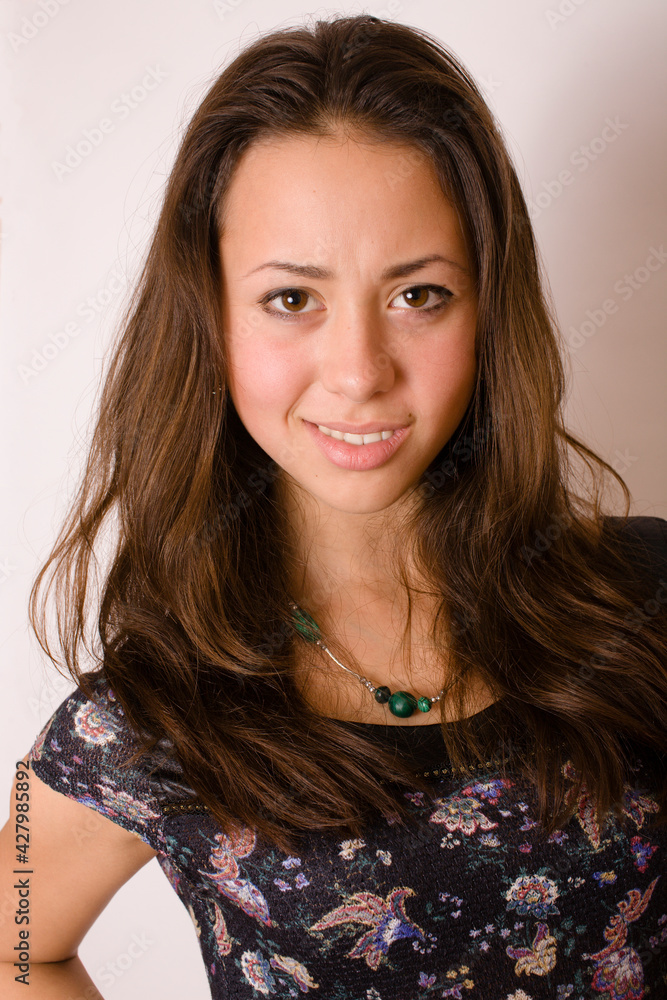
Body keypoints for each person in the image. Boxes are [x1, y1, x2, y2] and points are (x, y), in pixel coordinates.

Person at [1, 13, 666, 999]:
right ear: (209, 315)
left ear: (488, 307)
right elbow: (13, 936)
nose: (359, 372)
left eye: (419, 295)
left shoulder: (642, 595)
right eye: (291, 299)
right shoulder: (145, 723)